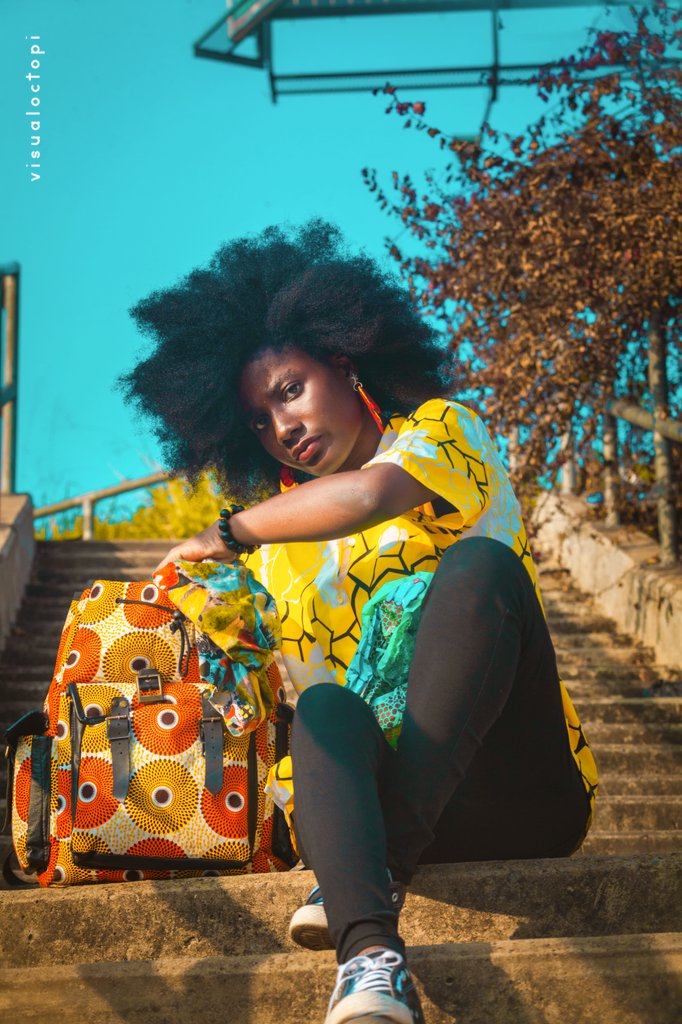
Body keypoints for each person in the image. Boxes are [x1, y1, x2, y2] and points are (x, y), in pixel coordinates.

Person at [121, 218, 597, 1024]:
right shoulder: (277, 556)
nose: (283, 427)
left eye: (290, 391)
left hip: (519, 789)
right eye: (260, 420)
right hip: (374, 817)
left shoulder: (442, 434)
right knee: (326, 706)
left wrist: (231, 529)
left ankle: (374, 877)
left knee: (483, 570)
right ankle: (371, 962)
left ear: (344, 363)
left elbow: (371, 496)